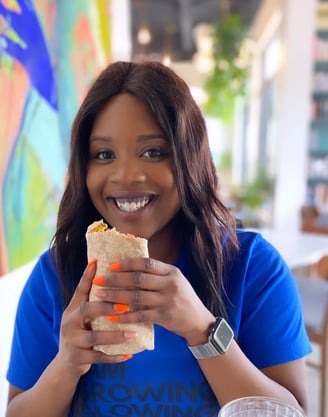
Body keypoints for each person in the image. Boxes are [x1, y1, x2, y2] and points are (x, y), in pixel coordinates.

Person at [6, 60, 311, 417]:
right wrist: (66, 365)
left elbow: (291, 412)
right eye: (103, 155)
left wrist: (202, 330)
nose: (126, 175)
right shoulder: (56, 275)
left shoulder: (252, 267)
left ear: (190, 157)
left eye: (153, 151)